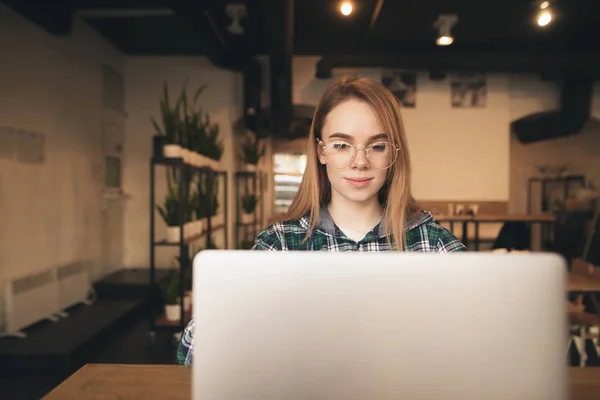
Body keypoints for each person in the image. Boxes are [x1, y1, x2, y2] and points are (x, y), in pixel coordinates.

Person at [177, 75, 466, 366]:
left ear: (394, 151)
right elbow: (192, 352)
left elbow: (486, 346)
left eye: (377, 146)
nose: (360, 161)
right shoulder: (281, 245)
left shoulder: (432, 243)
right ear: (321, 152)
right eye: (342, 145)